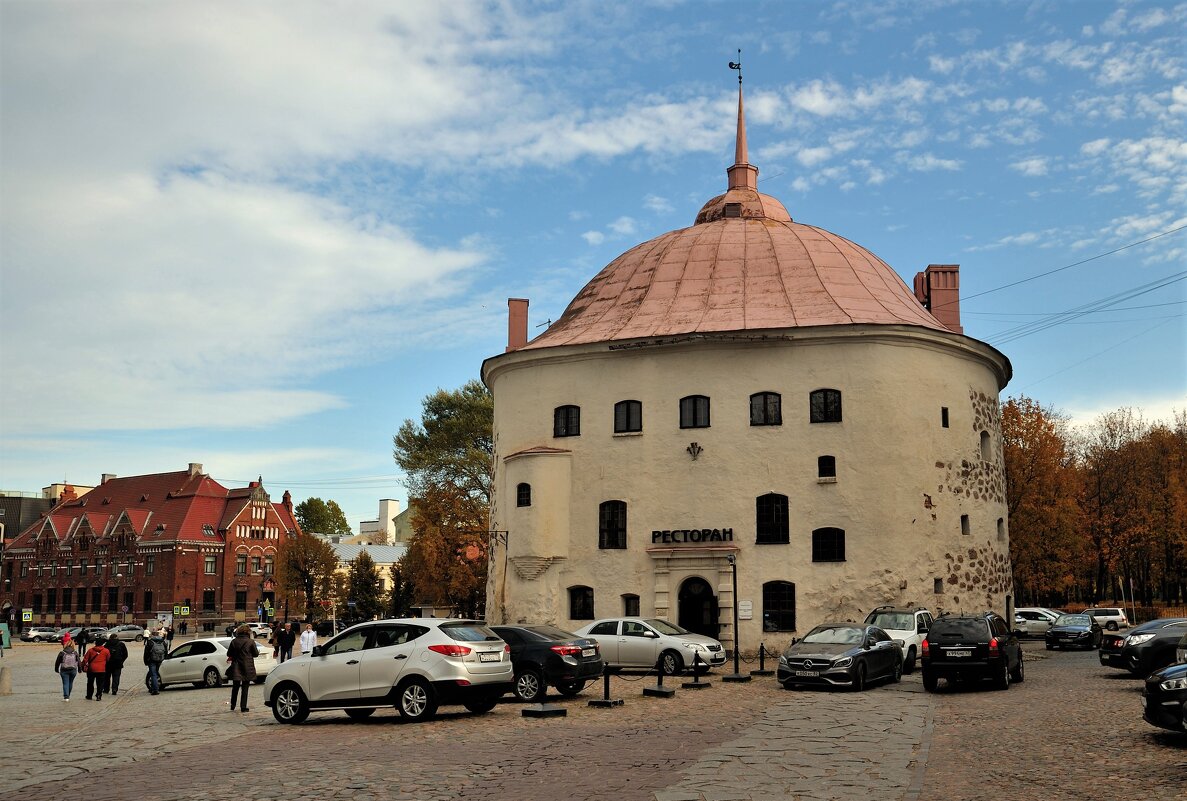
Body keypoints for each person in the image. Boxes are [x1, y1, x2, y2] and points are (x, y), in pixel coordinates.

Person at [225, 624, 259, 712]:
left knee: (235, 686)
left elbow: (229, 654)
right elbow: (255, 654)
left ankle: (233, 705)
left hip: (236, 666)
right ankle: (243, 707)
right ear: (248, 632)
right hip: (247, 666)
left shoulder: (234, 641)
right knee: (245, 687)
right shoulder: (250, 642)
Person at [81, 636, 110, 700]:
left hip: (91, 669)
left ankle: (89, 695)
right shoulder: (106, 651)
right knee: (100, 683)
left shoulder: (90, 650)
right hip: (102, 669)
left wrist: (82, 665)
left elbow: (85, 660)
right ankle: (99, 695)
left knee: (90, 683)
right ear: (102, 643)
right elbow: (108, 659)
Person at [54, 635, 80, 701]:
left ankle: (66, 697)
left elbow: (57, 662)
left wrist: (56, 669)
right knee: (70, 683)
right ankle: (68, 695)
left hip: (64, 669)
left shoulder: (62, 653)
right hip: (73, 669)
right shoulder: (75, 653)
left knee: (65, 683)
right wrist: (80, 669)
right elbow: (79, 661)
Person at [143, 629, 168, 695]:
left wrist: (146, 661)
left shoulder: (150, 642)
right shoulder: (163, 642)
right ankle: (154, 688)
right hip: (160, 660)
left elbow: (146, 653)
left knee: (153, 674)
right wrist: (164, 658)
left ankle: (155, 690)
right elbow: (166, 651)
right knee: (156, 673)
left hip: (151, 660)